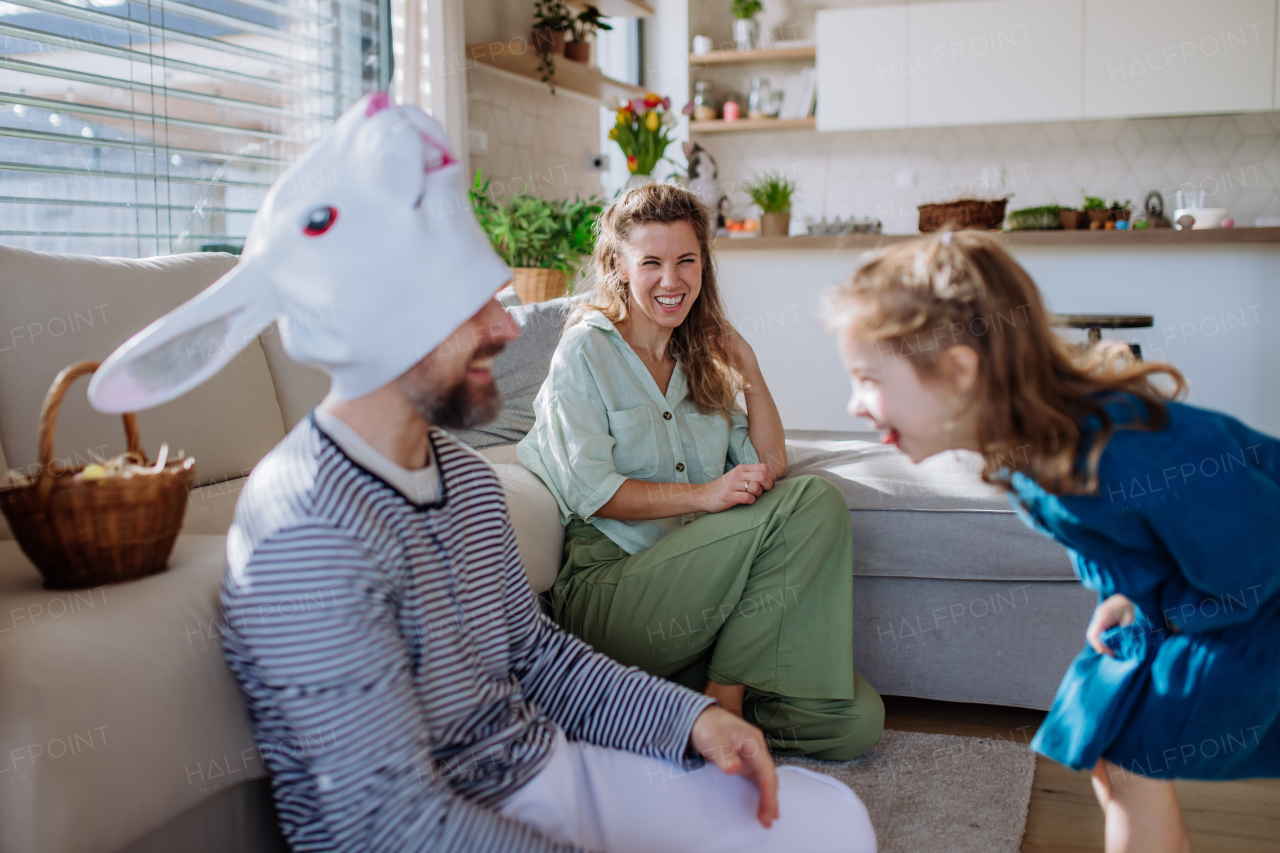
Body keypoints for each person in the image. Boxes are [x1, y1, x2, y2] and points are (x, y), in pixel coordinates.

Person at [88, 95, 877, 853]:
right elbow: (385, 826)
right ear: (380, 322)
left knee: (836, 825)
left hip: (546, 768)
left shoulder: (463, 480)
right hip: (456, 821)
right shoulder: (305, 525)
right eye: (474, 307)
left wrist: (691, 722)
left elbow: (540, 657)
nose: (506, 327)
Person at [824, 229, 1279, 853]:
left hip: (1258, 599)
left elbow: (1254, 553)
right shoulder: (1026, 457)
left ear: (959, 371)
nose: (854, 403)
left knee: (1130, 740)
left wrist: (1168, 619)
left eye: (869, 378)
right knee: (1118, 747)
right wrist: (1122, 598)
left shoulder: (1118, 452)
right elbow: (1131, 543)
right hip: (1225, 596)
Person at [518, 183, 884, 761]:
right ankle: (727, 694)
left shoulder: (698, 362)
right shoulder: (584, 352)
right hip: (614, 592)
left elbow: (769, 463)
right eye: (652, 263)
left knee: (855, 722)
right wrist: (705, 494)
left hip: (700, 603)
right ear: (617, 265)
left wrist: (749, 368)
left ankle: (685, 704)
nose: (672, 280)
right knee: (814, 501)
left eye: (687, 260)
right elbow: (597, 493)